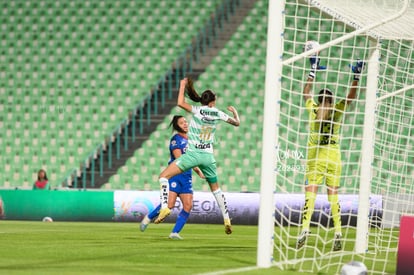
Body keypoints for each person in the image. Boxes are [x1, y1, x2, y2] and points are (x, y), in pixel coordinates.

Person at [154, 77, 240, 235]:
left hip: (192, 155)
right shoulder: (218, 113)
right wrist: (234, 112)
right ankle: (227, 219)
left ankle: (165, 207)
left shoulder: (197, 110)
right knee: (216, 189)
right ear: (213, 102)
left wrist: (182, 86)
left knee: (163, 177)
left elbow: (180, 103)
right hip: (208, 157)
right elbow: (236, 123)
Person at [296, 54, 364, 251]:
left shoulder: (314, 109)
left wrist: (312, 71)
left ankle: (305, 229)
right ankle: (338, 233)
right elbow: (351, 97)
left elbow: (306, 92)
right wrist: (356, 76)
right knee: (333, 196)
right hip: (334, 158)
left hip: (315, 158)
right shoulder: (337, 109)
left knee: (310, 195)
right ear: (332, 99)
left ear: (319, 99)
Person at [140, 115, 205, 239]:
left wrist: (198, 171)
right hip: (175, 175)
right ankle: (148, 218)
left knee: (188, 205)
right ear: (177, 126)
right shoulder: (176, 140)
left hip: (186, 177)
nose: (185, 124)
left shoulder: (191, 139)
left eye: (186, 121)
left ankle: (174, 233)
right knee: (169, 205)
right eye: (182, 123)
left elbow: (191, 159)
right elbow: (180, 159)